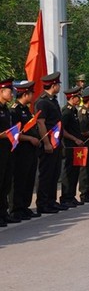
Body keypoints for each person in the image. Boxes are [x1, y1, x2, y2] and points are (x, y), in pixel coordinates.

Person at [35, 71, 68, 213]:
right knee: (46, 174)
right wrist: (47, 143)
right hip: (48, 144)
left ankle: (51, 201)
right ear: (53, 85)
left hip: (57, 143)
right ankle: (43, 203)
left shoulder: (53, 100)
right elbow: (41, 124)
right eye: (58, 85)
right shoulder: (42, 102)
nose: (59, 87)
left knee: (54, 173)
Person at [9, 81, 40, 220]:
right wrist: (29, 138)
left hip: (31, 151)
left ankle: (24, 206)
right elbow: (14, 133)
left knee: (29, 179)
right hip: (21, 151)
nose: (33, 95)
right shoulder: (14, 111)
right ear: (25, 94)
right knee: (19, 180)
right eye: (31, 93)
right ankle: (16, 209)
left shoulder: (26, 110)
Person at [60, 86, 86, 207]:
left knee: (75, 171)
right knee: (69, 171)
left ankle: (71, 195)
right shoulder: (67, 111)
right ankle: (66, 197)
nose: (79, 99)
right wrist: (75, 139)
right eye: (77, 97)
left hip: (77, 146)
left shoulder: (74, 110)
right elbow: (62, 129)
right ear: (72, 97)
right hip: (70, 145)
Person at [0, 77, 16, 225]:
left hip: (8, 150)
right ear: (1, 91)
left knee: (6, 182)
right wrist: (4, 135)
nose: (12, 95)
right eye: (10, 92)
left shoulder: (6, 109)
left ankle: (3, 212)